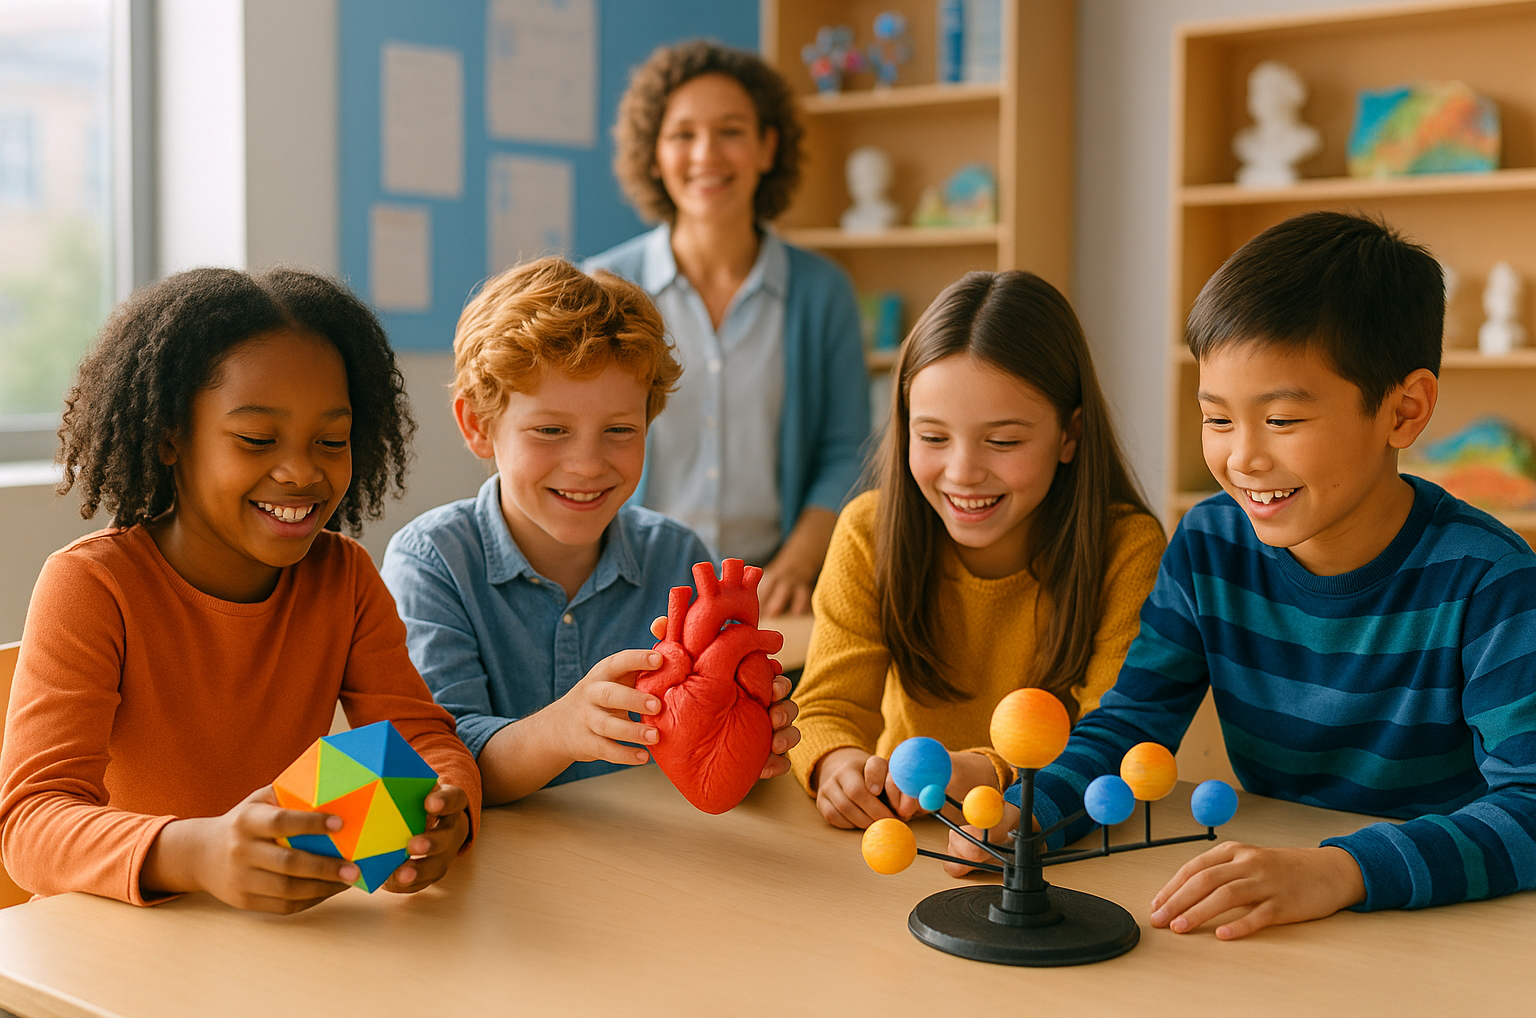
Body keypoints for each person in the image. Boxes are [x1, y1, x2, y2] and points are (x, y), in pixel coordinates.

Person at [950, 211, 1536, 938]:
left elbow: (1531, 809)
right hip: (1280, 898)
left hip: (1445, 922)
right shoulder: (1210, 544)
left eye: (1282, 421)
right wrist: (1028, 818)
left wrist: (1337, 870)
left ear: (1404, 411)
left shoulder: (1492, 582)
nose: (1242, 460)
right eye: (1218, 420)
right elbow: (1134, 724)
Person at [0, 268, 480, 914]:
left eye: (331, 441)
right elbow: (29, 823)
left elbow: (425, 741)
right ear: (171, 438)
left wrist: (446, 810)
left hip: (269, 945)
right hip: (113, 953)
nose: (302, 471)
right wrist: (196, 852)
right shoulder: (93, 586)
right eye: (257, 440)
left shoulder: (344, 579)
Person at [380, 258, 801, 806]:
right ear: (477, 427)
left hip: (646, 864)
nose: (586, 464)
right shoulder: (431, 561)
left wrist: (738, 743)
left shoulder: (677, 554)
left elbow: (699, 766)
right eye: (551, 430)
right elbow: (440, 764)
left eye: (619, 430)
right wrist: (562, 730)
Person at [788, 270, 1166, 829]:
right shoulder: (868, 530)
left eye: (1004, 441)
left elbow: (1111, 734)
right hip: (905, 835)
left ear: (1070, 435)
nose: (963, 473)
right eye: (933, 437)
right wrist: (836, 765)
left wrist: (988, 773)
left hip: (1051, 844)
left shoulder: (1125, 549)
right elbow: (826, 707)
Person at [585, 39, 870, 616]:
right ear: (655, 153)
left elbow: (848, 452)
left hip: (774, 596)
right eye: (683, 134)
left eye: (732, 131)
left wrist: (798, 562)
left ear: (767, 147)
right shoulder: (603, 288)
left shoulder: (823, 292)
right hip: (628, 592)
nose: (706, 154)